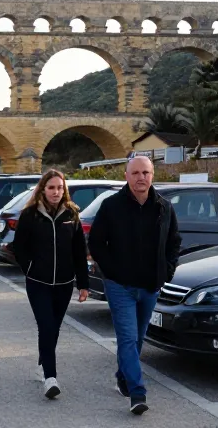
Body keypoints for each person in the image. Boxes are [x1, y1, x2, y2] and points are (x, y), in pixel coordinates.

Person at [88, 156, 181, 416]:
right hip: (120, 286)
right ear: (127, 176)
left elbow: (174, 241)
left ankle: (123, 375)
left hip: (151, 286)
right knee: (127, 338)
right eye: (136, 173)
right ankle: (137, 392)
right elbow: (96, 242)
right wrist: (112, 273)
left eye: (146, 173)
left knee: (138, 338)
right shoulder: (111, 206)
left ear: (153, 175)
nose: (141, 177)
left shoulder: (164, 207)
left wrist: (167, 271)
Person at [7, 169, 89, 399]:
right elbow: (19, 248)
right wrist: (30, 268)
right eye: (51, 187)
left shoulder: (71, 214)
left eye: (60, 187)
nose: (56, 192)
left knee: (54, 328)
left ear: (65, 190)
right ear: (43, 189)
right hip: (38, 283)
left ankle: (43, 363)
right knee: (47, 326)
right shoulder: (30, 214)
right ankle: (50, 377)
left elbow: (79, 252)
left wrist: (83, 283)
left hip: (64, 282)